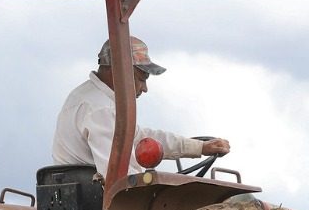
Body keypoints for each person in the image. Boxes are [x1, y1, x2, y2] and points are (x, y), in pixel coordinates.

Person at [51, 37, 231, 176]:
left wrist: (199, 147)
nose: (144, 89)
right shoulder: (99, 108)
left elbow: (141, 138)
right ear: (119, 71)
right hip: (93, 204)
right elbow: (117, 177)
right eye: (141, 79)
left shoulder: (88, 98)